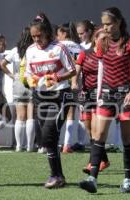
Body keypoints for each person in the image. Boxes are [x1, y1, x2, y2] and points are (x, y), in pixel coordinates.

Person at [79, 7, 130, 193]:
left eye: (109, 24)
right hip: (106, 95)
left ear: (118, 23)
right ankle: (92, 179)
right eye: (103, 24)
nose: (105, 28)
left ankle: (128, 180)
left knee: (126, 138)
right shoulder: (102, 43)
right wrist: (98, 95)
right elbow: (101, 70)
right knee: (99, 136)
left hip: (125, 96)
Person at [26, 12, 76, 188]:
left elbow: (72, 71)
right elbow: (28, 73)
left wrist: (57, 78)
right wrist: (30, 79)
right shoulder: (30, 50)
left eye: (39, 36)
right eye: (33, 36)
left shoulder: (59, 48)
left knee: (48, 135)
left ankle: (56, 175)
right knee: (49, 139)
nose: (36, 39)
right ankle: (57, 176)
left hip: (60, 96)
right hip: (39, 96)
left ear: (47, 33)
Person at [75, 27, 110, 174]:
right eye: (102, 38)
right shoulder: (85, 54)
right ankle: (104, 160)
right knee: (89, 130)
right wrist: (74, 83)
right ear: (95, 39)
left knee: (96, 131)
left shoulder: (109, 55)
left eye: (107, 39)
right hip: (87, 95)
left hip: (101, 96)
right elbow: (76, 70)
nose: (105, 41)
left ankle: (92, 163)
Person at [0, 27, 35, 152]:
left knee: (20, 117)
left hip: (18, 83)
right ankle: (30, 146)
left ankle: (19, 146)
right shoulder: (34, 49)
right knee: (31, 116)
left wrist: (12, 76)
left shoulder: (15, 50)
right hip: (32, 82)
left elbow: (2, 63)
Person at [56, 22, 84, 153]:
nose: (57, 36)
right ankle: (67, 144)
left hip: (59, 82)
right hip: (75, 81)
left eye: (58, 34)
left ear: (64, 33)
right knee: (71, 112)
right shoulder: (79, 47)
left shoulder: (59, 47)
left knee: (55, 111)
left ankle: (52, 142)